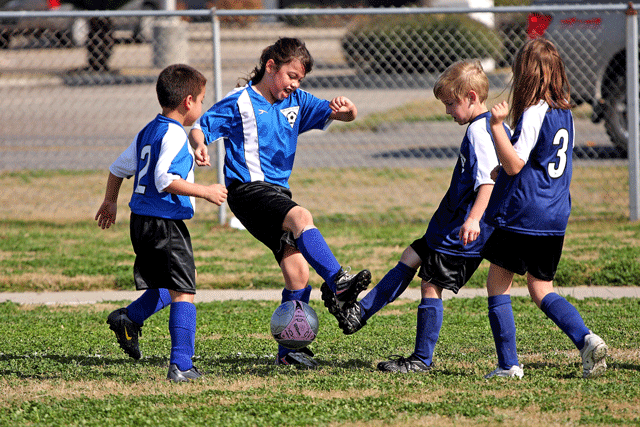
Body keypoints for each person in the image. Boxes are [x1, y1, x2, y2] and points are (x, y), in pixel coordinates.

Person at [189, 37, 371, 368]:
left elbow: (339, 115)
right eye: (291, 75)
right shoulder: (239, 102)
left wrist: (349, 110)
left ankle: (290, 351)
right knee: (301, 216)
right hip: (247, 190)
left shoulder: (297, 101)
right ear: (271, 66)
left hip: (276, 195)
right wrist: (200, 145)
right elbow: (201, 126)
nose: (295, 84)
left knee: (298, 272)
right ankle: (339, 284)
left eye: (300, 79)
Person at [329, 60, 505, 373]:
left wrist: (474, 220)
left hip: (462, 231)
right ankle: (359, 313)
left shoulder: (481, 132)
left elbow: (489, 182)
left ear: (472, 97)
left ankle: (421, 359)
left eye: (451, 103)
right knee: (412, 254)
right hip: (448, 226)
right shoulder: (487, 125)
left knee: (430, 285)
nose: (448, 111)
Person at [481, 37, 607, 379]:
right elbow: (543, 161)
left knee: (497, 283)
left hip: (524, 215)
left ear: (525, 74)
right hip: (555, 215)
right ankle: (586, 339)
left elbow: (515, 164)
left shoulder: (535, 110)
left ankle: (508, 365)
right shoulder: (565, 112)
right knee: (541, 288)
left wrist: (496, 128)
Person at [95, 64, 228, 382]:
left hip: (141, 221)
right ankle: (181, 365)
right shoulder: (171, 134)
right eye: (202, 101)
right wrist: (205, 191)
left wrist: (110, 200)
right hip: (163, 222)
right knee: (184, 290)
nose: (202, 106)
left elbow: (118, 168)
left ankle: (130, 317)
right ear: (189, 102)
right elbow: (164, 178)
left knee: (185, 278)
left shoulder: (151, 130)